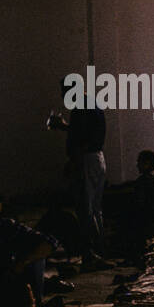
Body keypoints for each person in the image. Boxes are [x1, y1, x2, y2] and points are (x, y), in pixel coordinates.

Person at [48, 99, 111, 270]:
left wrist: (74, 161)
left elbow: (83, 141)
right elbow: (86, 134)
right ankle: (99, 252)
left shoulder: (81, 107)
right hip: (96, 158)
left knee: (85, 208)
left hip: (87, 160)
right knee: (95, 209)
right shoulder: (91, 105)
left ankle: (91, 254)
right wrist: (65, 127)